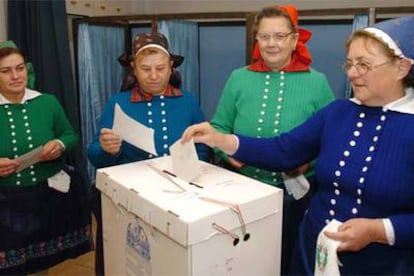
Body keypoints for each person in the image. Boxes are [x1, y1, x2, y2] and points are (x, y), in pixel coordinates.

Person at [182, 16, 414, 275]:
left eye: (364, 64)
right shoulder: (337, 112)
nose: (351, 73)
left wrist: (380, 231)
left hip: (381, 265)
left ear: (401, 68)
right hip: (311, 253)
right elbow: (284, 151)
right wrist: (221, 139)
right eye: (349, 63)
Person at [210, 5, 334, 274]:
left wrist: (307, 162)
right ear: (257, 40)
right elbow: (218, 126)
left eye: (279, 36)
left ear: (294, 39)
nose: (272, 43)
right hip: (240, 192)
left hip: (294, 198)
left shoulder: (317, 82)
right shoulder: (238, 78)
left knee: (288, 261)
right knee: (241, 262)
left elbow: (331, 138)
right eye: (264, 36)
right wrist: (224, 153)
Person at [87, 32, 211, 275]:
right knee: (133, 259)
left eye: (160, 68)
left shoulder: (188, 101)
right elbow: (94, 154)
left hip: (179, 198)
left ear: (171, 66)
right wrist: (106, 149)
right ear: (133, 68)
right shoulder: (118, 102)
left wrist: (193, 169)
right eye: (145, 69)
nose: (154, 76)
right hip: (131, 200)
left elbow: (204, 146)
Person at [0, 41, 93, 275]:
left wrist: (60, 144)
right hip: (6, 201)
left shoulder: (47, 102)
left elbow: (70, 134)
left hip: (44, 196)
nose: (15, 76)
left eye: (20, 68)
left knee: (40, 263)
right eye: (6, 71)